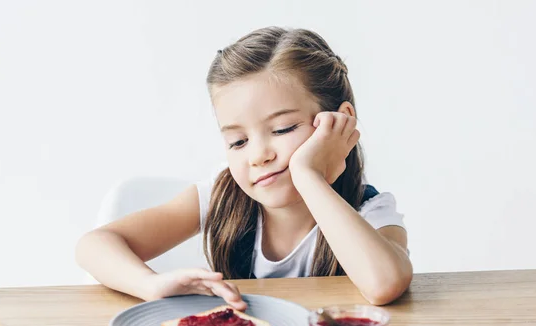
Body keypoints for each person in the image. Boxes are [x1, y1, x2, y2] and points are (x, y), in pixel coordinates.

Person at [75, 26, 413, 310]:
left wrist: (309, 176)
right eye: (238, 142)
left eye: (282, 130)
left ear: (339, 123)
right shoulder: (217, 198)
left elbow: (383, 285)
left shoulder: (369, 209)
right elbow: (94, 245)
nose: (258, 156)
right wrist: (150, 285)